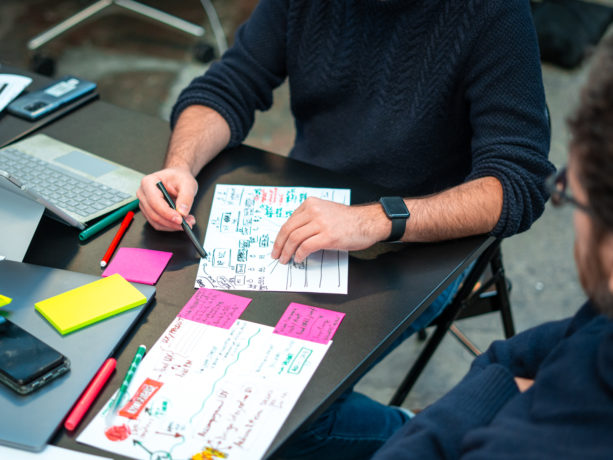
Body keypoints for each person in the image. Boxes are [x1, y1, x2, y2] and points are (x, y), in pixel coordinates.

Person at [136, 1, 553, 457]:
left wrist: (375, 219)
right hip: (299, 218)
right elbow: (229, 84)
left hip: (418, 245)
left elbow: (519, 182)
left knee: (279, 418)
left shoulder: (493, 14)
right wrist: (179, 167)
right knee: (179, 359)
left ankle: (427, 435)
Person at [372, 33, 613, 459]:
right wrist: (507, 386)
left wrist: (492, 396)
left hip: (431, 255)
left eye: (567, 194)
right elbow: (509, 357)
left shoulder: (523, 445)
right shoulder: (601, 321)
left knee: (302, 419)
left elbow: (496, 372)